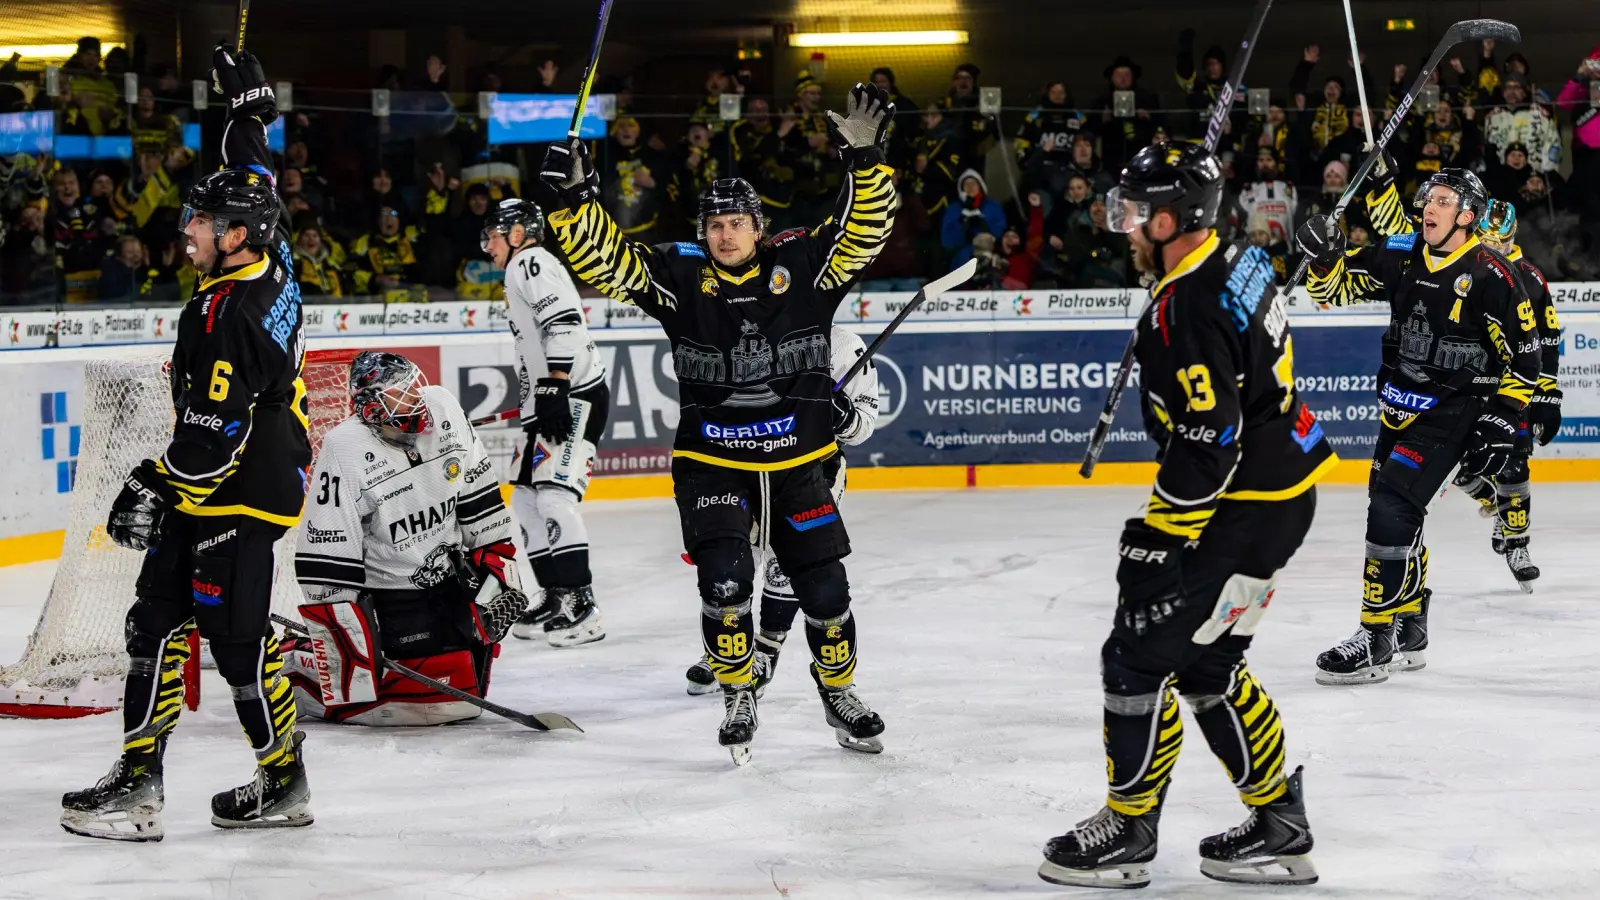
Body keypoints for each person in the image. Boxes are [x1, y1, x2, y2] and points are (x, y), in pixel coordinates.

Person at [538, 82, 897, 765]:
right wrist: (572, 203)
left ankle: (838, 691)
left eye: (736, 222)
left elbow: (864, 233)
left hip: (800, 467)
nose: (724, 233)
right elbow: (607, 263)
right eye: (714, 224)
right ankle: (738, 692)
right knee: (726, 582)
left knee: (826, 588)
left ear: (759, 227)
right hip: (714, 466)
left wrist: (865, 161)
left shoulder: (807, 271)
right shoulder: (682, 277)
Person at [1038, 141, 1331, 890]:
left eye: (1137, 214)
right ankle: (1278, 821)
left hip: (1242, 507)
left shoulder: (1187, 307)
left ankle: (1130, 829)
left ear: (1172, 221)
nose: (1126, 228)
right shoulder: (1235, 258)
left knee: (1136, 654)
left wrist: (1159, 537)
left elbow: (1210, 439)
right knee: (1206, 664)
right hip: (1282, 495)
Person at [61, 44, 313, 841]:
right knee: (155, 619)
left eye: (199, 222)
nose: (187, 230)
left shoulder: (223, 317)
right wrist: (247, 118)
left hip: (240, 481)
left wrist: (150, 485)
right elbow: (258, 176)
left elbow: (209, 447)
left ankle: (283, 782)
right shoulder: (272, 256)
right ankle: (138, 781)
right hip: (236, 469)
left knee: (236, 643)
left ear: (235, 233)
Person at [1299, 159, 1541, 685]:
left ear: (1469, 216)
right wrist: (1323, 255)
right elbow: (1332, 289)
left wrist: (1499, 424)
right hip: (1398, 412)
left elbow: (1526, 362)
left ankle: (1375, 636)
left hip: (1452, 413)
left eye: (1443, 201)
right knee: (1397, 517)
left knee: (1391, 508)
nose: (1429, 206)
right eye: (1428, 198)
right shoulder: (1403, 253)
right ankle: (1409, 626)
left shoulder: (1494, 276)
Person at [285, 352, 525, 726]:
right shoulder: (345, 447)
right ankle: (300, 667)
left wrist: (498, 573)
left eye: (415, 387)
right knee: (422, 706)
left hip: (450, 582)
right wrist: (348, 642)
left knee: (465, 697)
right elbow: (327, 550)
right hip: (391, 596)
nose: (418, 399)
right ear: (372, 407)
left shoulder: (444, 406)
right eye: (403, 394)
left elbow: (480, 498)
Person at [685, 324, 880, 696]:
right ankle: (727, 654)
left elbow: (863, 427)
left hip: (812, 475)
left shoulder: (843, 346)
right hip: (742, 470)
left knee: (786, 566)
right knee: (734, 564)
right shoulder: (747, 337)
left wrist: (841, 416)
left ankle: (767, 649)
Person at [477, 199, 611, 647]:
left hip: (571, 394)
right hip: (548, 400)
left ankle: (583, 605)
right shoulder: (520, 270)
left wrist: (555, 384)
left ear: (518, 233)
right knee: (529, 503)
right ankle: (556, 597)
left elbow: (566, 322)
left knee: (554, 498)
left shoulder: (531, 261)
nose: (487, 247)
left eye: (492, 236)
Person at [1449, 200, 1559, 592]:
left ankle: (1518, 545)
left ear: (1512, 238)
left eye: (1500, 240)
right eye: (1486, 238)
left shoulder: (1529, 278)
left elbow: (1547, 339)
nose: (1492, 246)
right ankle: (1495, 503)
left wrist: (1548, 394)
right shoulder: (1463, 267)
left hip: (1513, 386)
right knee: (1459, 468)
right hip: (1468, 385)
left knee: (1514, 466)